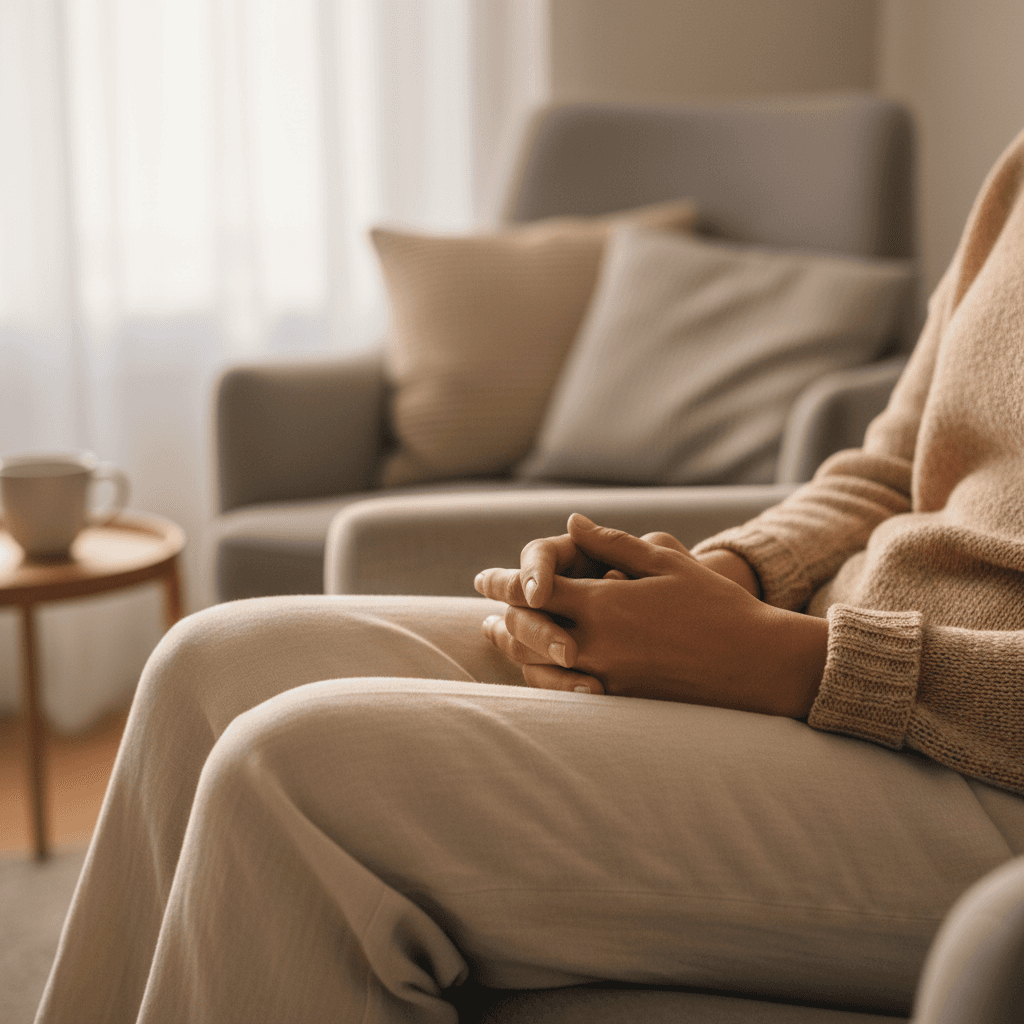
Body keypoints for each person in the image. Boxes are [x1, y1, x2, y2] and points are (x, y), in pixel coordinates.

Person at [36, 127, 1024, 1024]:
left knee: (296, 770)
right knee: (211, 662)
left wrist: (794, 664)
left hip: (975, 765)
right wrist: (717, 576)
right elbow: (888, 468)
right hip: (830, 664)